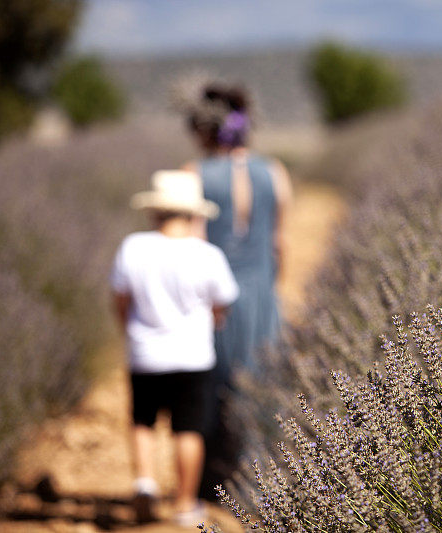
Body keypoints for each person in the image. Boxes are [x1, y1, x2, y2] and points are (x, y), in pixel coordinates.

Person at [179, 81, 292, 500]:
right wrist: (267, 287)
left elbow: (193, 244)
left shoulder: (195, 174)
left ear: (204, 129)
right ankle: (256, 478)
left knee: (212, 382)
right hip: (263, 293)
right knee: (260, 380)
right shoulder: (274, 171)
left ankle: (211, 481)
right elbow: (280, 243)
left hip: (214, 299)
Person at [110, 170, 239, 526]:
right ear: (195, 214)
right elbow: (222, 303)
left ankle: (145, 482)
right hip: (192, 356)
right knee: (189, 429)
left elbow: (120, 299)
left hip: (145, 353)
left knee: (143, 421)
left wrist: (129, 330)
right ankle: (184, 504)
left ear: (155, 211)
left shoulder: (133, 247)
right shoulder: (207, 255)